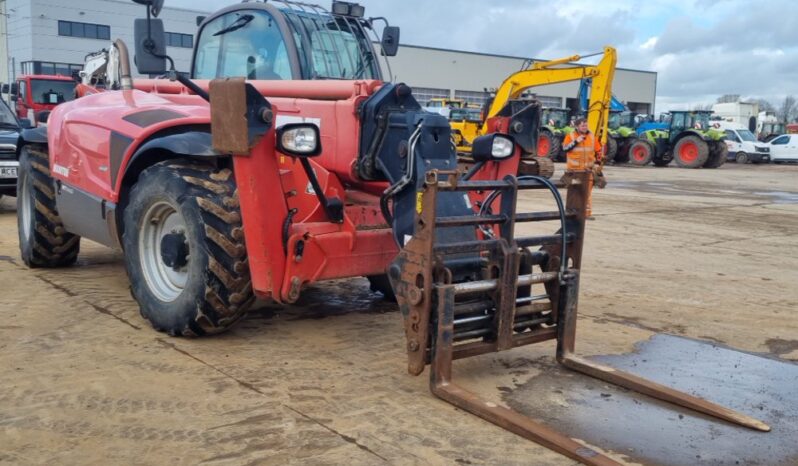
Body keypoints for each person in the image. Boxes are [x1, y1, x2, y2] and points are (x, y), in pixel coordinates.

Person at [561, 117, 603, 218]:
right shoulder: (570, 136)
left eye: (586, 125)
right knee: (574, 192)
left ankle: (586, 214)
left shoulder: (592, 137)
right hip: (574, 171)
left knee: (587, 192)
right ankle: (572, 212)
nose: (585, 127)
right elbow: (565, 148)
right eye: (583, 125)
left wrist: (598, 163)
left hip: (587, 170)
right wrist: (576, 141)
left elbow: (598, 151)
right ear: (577, 126)